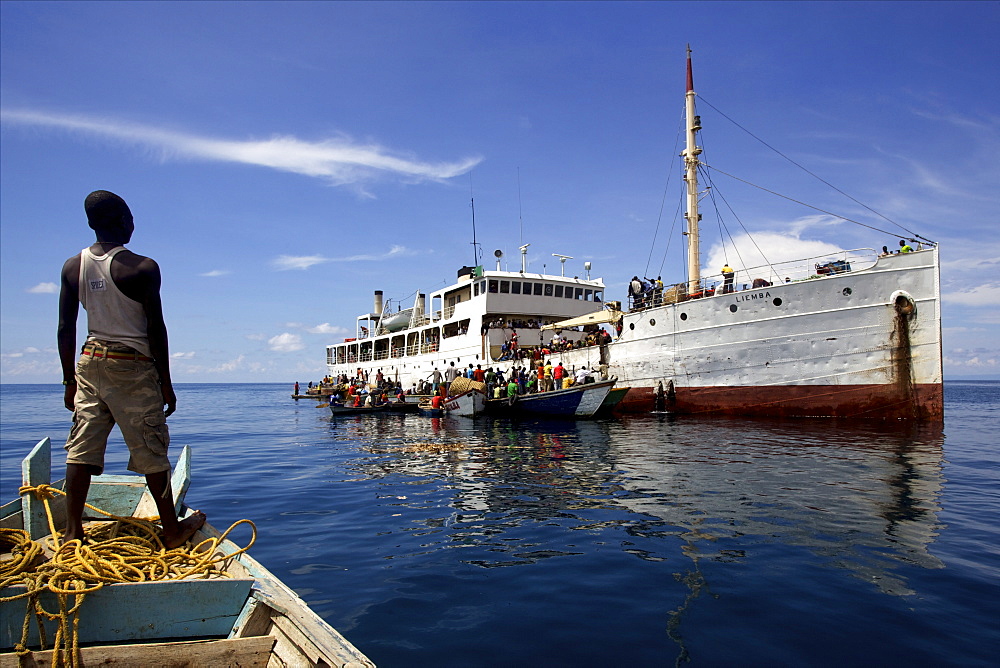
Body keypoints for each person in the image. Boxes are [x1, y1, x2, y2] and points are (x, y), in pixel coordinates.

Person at [57, 190, 205, 548]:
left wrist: (68, 382)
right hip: (132, 365)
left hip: (89, 362)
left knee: (82, 447)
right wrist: (166, 383)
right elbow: (156, 328)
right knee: (150, 449)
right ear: (124, 221)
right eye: (131, 218)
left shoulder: (73, 266)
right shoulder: (142, 267)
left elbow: (65, 327)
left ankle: (73, 530)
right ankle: (171, 531)